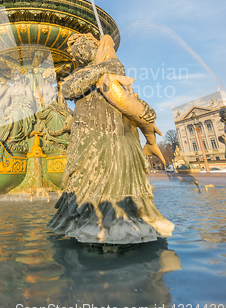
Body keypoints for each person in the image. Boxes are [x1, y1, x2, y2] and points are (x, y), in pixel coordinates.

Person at [47, 33, 174, 245]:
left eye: (84, 46)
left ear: (94, 47)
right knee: (85, 178)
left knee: (120, 175)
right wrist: (104, 66)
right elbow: (69, 89)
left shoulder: (112, 71)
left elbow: (129, 100)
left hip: (118, 134)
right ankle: (87, 221)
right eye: (77, 49)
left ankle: (128, 220)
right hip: (89, 137)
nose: (80, 51)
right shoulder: (82, 73)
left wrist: (147, 114)